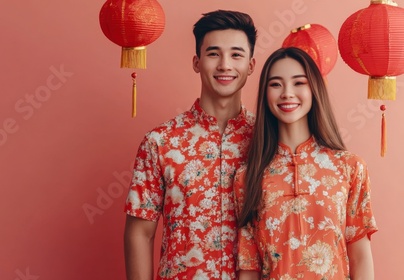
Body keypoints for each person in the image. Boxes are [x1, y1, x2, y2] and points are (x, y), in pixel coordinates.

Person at [123, 10, 257, 279]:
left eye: (236, 55)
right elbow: (140, 232)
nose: (225, 65)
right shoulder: (160, 142)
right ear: (197, 62)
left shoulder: (266, 140)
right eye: (213, 54)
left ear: (251, 66)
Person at [234, 47, 378, 279]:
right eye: (276, 84)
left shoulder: (349, 167)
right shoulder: (248, 177)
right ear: (265, 94)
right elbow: (249, 266)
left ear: (314, 89)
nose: (287, 93)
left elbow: (360, 257)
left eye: (299, 83)